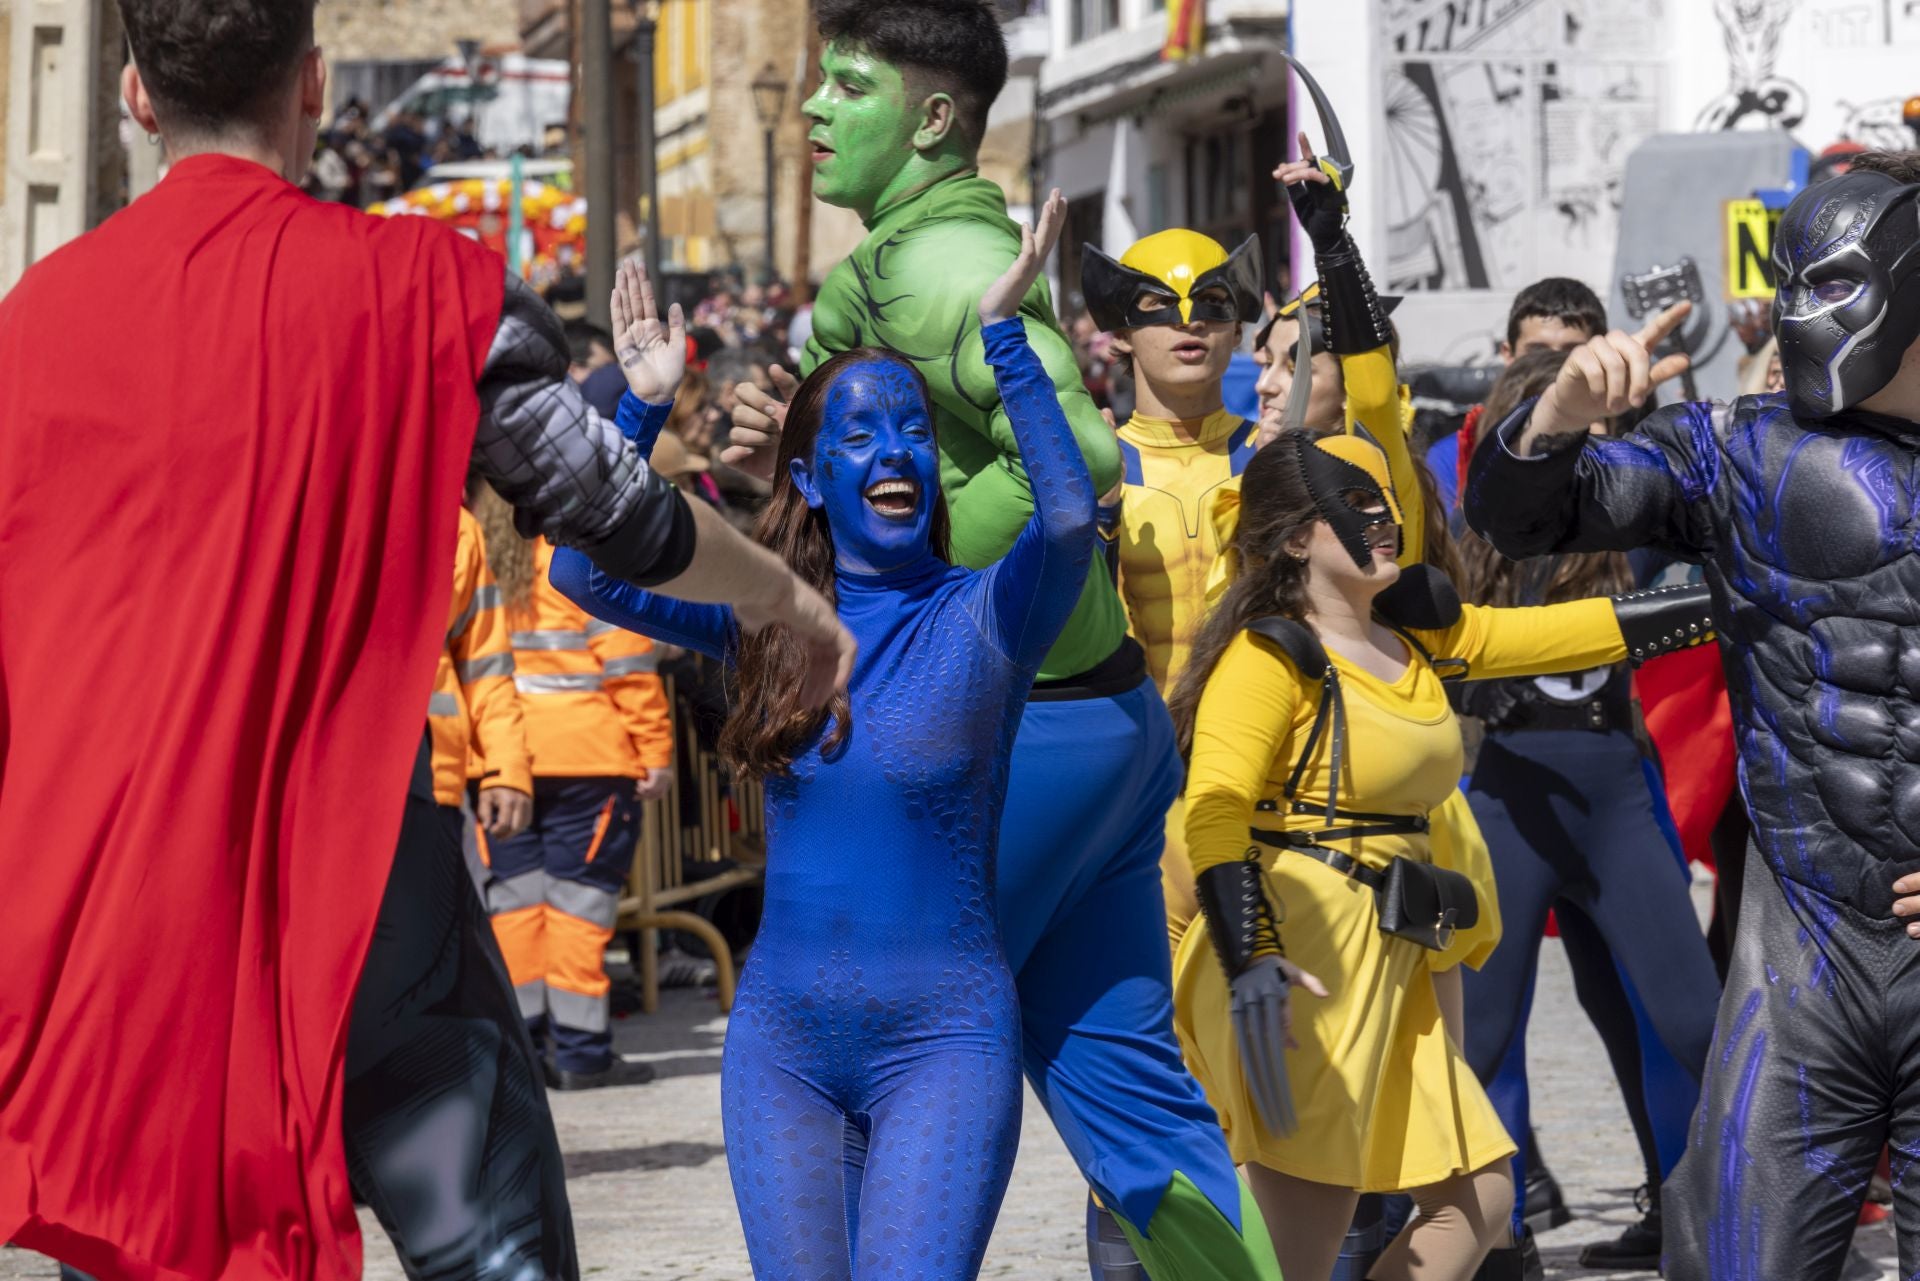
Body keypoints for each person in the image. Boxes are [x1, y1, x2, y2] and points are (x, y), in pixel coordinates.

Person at [0, 1, 852, 1276]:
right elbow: (611, 511)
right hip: (367, 892)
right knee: (494, 1246)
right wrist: (782, 595)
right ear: (315, 85)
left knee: (148, 1244)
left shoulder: (29, 327)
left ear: (133, 95)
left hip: (123, 919)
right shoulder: (421, 288)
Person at [724, 3, 1280, 1276]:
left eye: (847, 88)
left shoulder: (933, 267)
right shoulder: (900, 256)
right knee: (1137, 1107)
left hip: (1018, 733)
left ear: (931, 119)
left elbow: (1080, 459)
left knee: (875, 1072)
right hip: (1100, 725)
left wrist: (916, 571)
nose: (813, 111)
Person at [555, 198, 1091, 1281]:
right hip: (782, 1050)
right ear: (810, 478)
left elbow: (1069, 519)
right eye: (859, 435)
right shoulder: (770, 613)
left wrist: (1006, 340)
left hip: (943, 1046)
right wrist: (641, 408)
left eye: (911, 432)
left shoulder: (991, 613)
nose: (895, 450)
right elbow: (583, 571)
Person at [1464, 151, 1920, 1280]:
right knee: (1730, 1259)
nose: (1805, 313)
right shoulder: (1738, 456)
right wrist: (1556, 414)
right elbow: (1525, 520)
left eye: (1839, 283)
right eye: (1799, 279)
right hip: (1803, 955)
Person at [1167, 424, 1714, 1281]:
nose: (1384, 519)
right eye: (1355, 506)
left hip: (1401, 948)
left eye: (1385, 500)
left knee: (1482, 1195)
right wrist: (1254, 954)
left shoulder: (1415, 636)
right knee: (1303, 1246)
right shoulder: (1270, 656)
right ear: (1297, 535)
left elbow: (1565, 634)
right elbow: (1215, 807)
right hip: (1306, 957)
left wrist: (1725, 603)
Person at [1452, 351, 1723, 1268]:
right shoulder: (1472, 536)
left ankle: (1717, 1224)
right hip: (1507, 791)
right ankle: (1478, 1241)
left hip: (1613, 785)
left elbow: (1714, 504)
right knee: (1475, 1038)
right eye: (1558, 431)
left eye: (1591, 433)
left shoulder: (1630, 528)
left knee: (1699, 1024)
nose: (1582, 450)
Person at [470, 491, 676, 1091]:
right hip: (589, 756)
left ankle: (524, 1047)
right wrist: (654, 751)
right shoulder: (579, 561)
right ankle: (583, 1053)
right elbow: (626, 667)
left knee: (514, 907)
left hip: (503, 760)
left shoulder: (478, 555)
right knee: (579, 908)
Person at [1419, 279, 1608, 513]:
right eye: (1538, 351)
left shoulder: (1633, 444)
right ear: (1508, 355)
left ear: (1602, 353)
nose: (1555, 366)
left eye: (1573, 351)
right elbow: (1451, 546)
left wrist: (1608, 459)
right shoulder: (1455, 455)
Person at [436, 505, 534, 844]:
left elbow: (485, 668)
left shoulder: (457, 528)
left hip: (434, 776)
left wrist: (506, 766)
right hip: (590, 752)